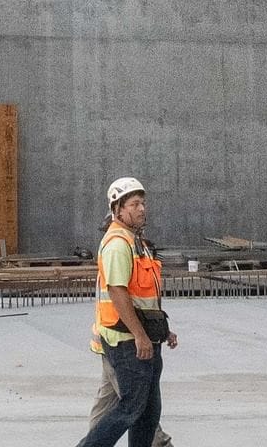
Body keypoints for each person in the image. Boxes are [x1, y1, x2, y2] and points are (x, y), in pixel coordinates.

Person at [76, 176, 173, 447]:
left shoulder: (135, 242)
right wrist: (141, 337)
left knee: (147, 412)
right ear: (117, 209)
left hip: (141, 339)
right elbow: (118, 293)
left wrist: (163, 330)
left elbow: (143, 298)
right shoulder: (118, 244)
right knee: (131, 408)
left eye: (143, 203)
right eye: (134, 204)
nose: (142, 209)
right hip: (127, 341)